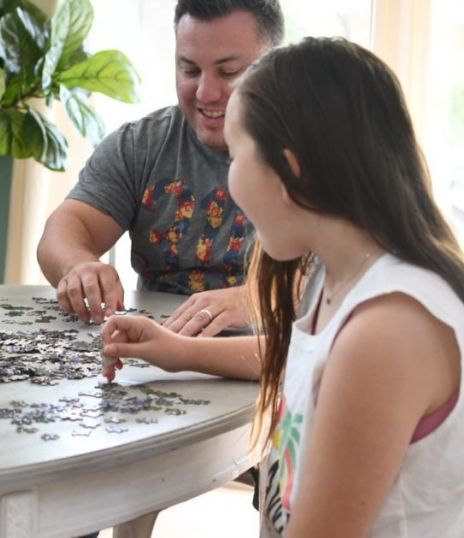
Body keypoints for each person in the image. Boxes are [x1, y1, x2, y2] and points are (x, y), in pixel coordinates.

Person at [101, 37, 464, 536]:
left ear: (291, 169)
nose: (228, 182)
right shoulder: (336, 277)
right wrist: (178, 350)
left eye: (235, 155)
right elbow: (306, 360)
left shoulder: (388, 332)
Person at [37, 0, 283, 336]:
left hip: (274, 363)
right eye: (190, 70)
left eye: (228, 72)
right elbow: (66, 227)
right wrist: (79, 265)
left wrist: (256, 299)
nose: (205, 92)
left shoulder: (316, 153)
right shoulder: (141, 144)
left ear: (276, 64)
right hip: (155, 357)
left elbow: (348, 273)